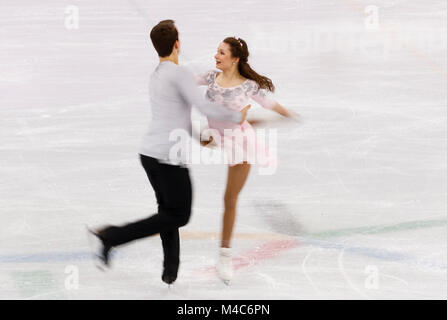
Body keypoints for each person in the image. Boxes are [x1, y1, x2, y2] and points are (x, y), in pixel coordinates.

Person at [88, 20, 250, 285]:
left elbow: (178, 116)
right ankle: (112, 236)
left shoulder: (159, 75)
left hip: (150, 154)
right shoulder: (179, 74)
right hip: (166, 157)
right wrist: (237, 116)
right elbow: (204, 107)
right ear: (177, 44)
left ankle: (170, 270)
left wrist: (201, 138)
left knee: (167, 210)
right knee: (178, 214)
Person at [196, 36, 296, 284]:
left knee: (229, 198)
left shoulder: (248, 87)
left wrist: (287, 114)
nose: (215, 55)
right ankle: (246, 121)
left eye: (221, 52)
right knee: (202, 136)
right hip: (219, 133)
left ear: (235, 58)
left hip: (240, 144)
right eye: (216, 51)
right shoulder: (211, 76)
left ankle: (224, 256)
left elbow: (270, 102)